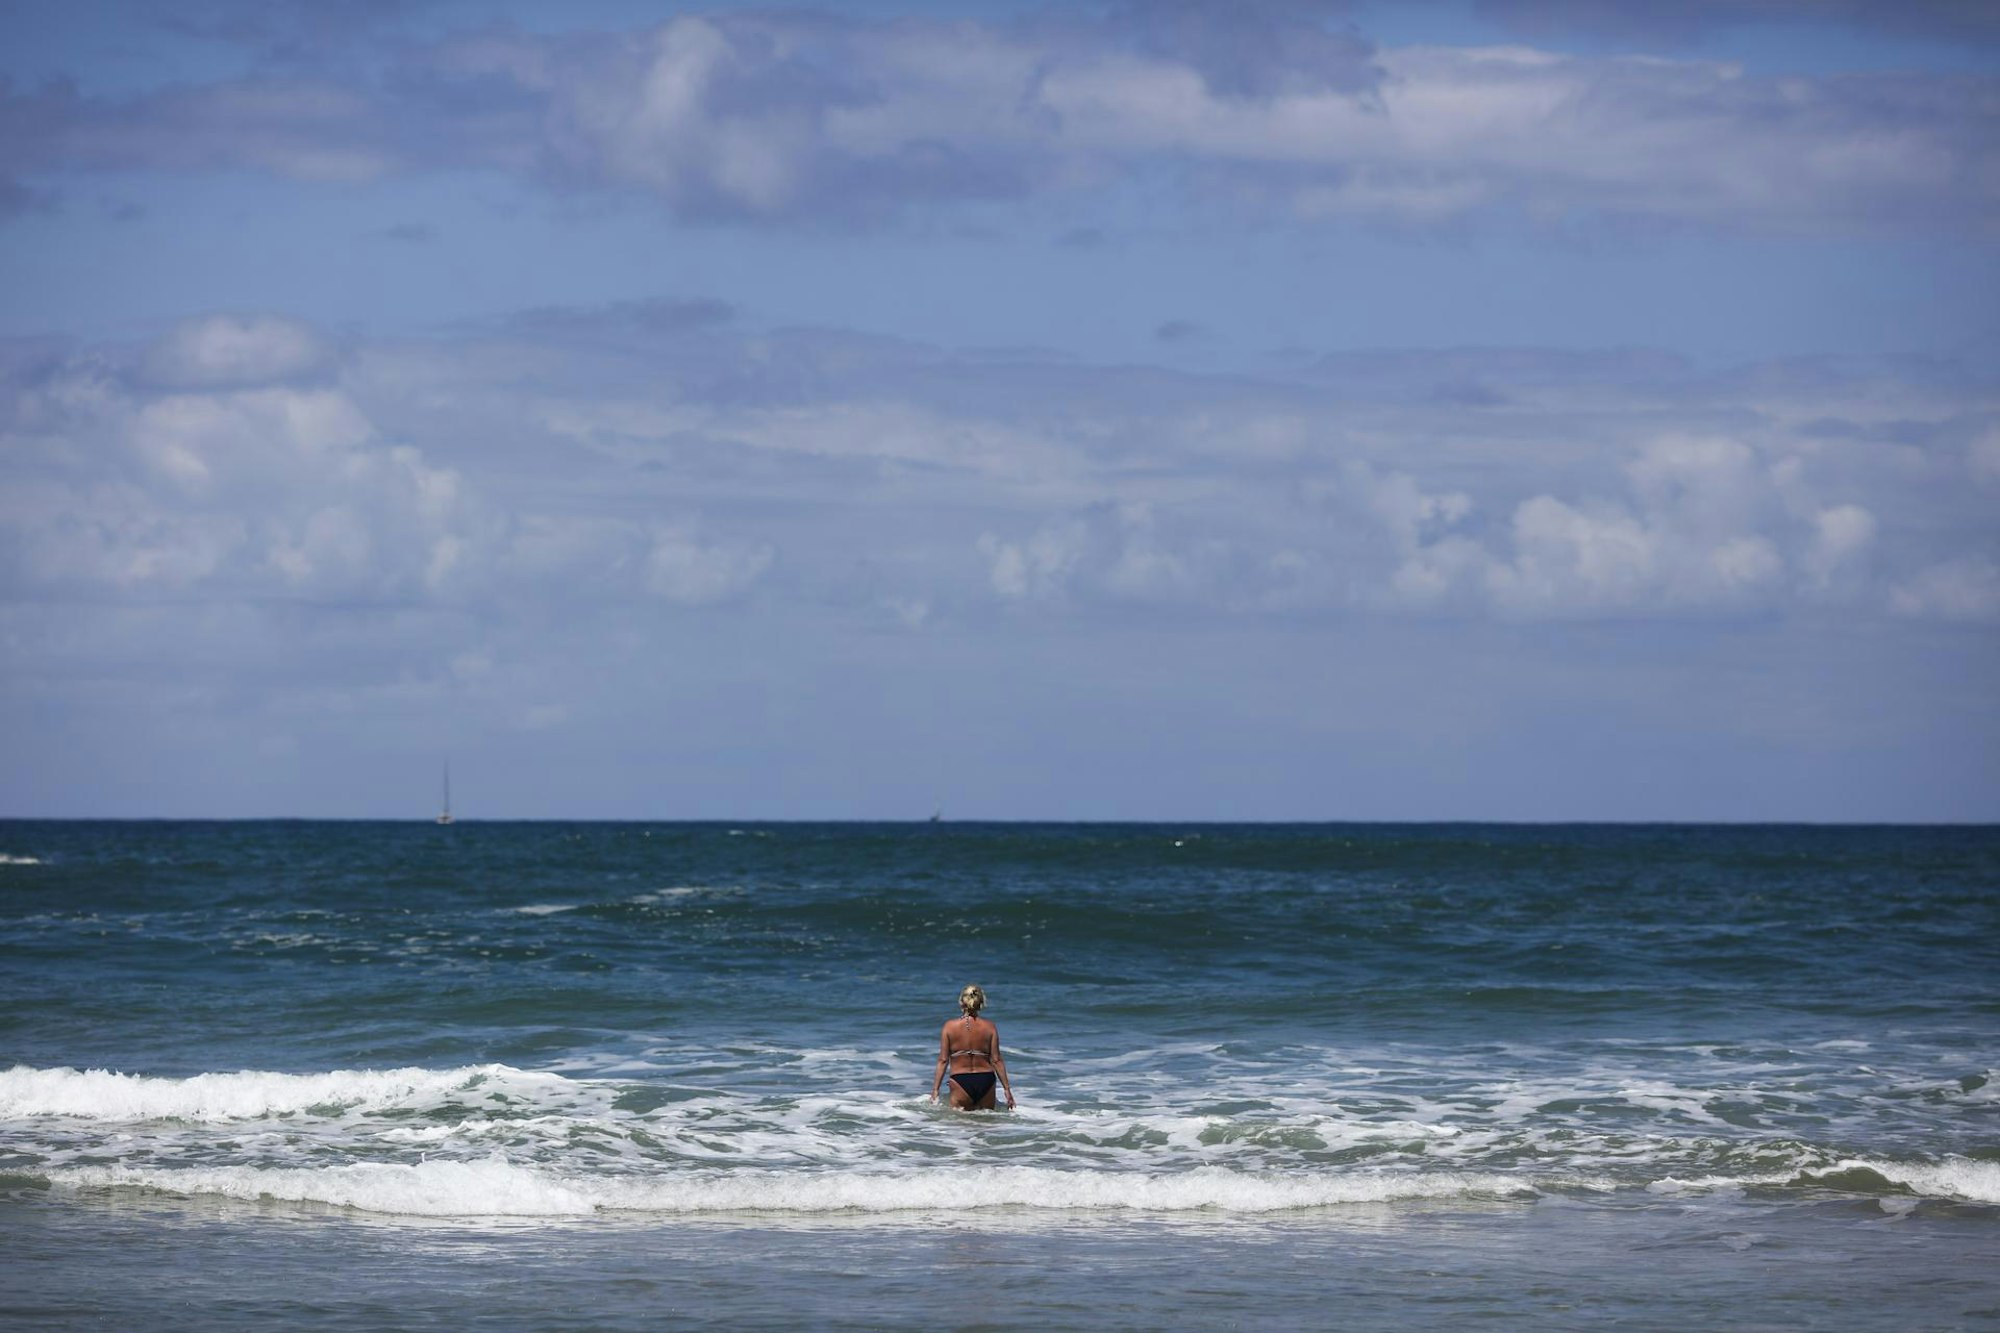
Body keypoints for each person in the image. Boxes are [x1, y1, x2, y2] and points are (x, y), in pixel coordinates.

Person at [930, 984, 1015, 1111]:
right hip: (986, 1079)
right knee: (986, 1125)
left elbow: (943, 1060)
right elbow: (996, 1060)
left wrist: (935, 1090)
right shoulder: (989, 1027)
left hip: (960, 1079)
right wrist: (1007, 1090)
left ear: (961, 1002)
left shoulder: (949, 1027)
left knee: (961, 1126)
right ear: (981, 1003)